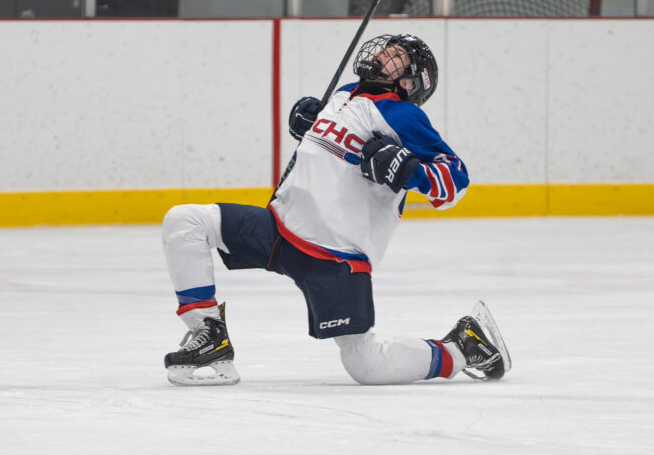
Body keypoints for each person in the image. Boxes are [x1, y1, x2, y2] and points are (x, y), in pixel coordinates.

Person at [160, 33, 510, 386]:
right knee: (185, 221)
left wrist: (409, 170)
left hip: (335, 258)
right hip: (278, 230)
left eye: (398, 54)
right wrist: (308, 128)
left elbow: (455, 181)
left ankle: (463, 346)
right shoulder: (343, 94)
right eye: (388, 46)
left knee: (367, 367)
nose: (385, 51)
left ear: (410, 81)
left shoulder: (403, 116)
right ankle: (210, 337)